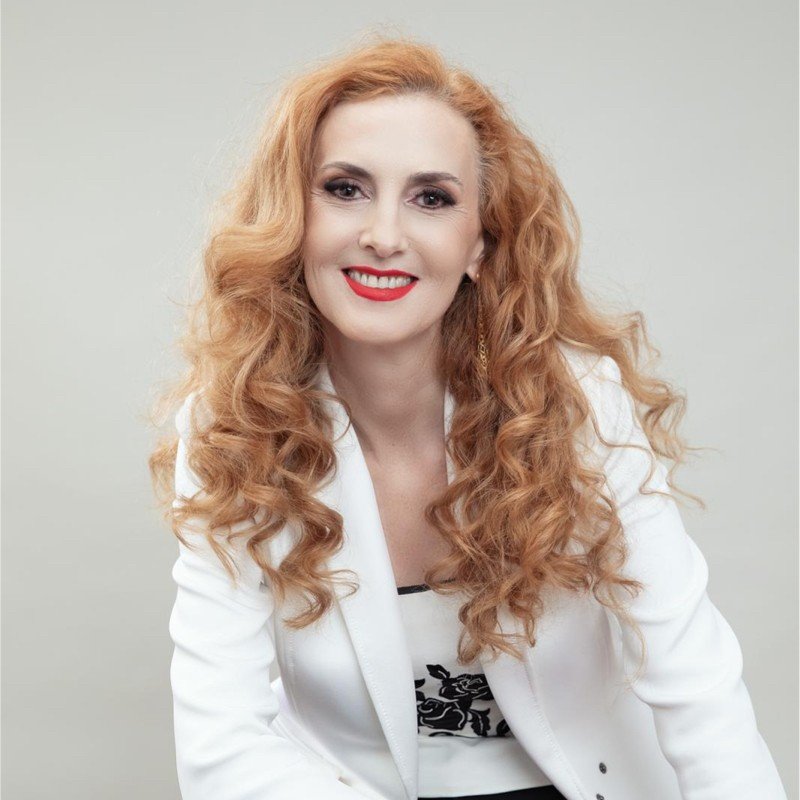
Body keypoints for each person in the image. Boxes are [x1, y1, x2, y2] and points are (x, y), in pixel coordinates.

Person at [148, 33, 787, 800]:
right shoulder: (230, 430)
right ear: (295, 217)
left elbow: (699, 684)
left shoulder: (576, 401)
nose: (383, 236)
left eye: (432, 198)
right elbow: (222, 750)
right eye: (345, 188)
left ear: (478, 244)